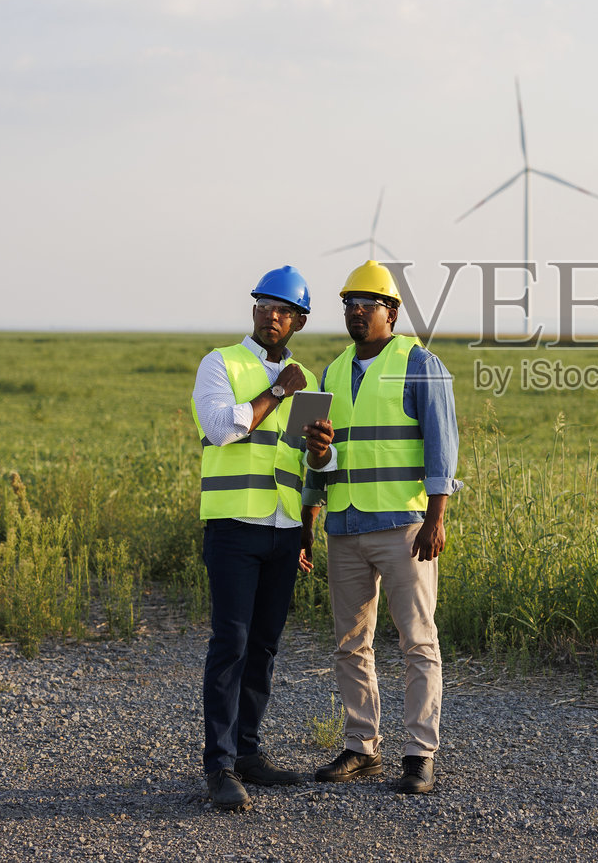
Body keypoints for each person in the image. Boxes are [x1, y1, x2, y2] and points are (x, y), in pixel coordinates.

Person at [302, 260, 459, 795]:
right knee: (350, 643)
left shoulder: (419, 364)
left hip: (403, 527)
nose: (355, 311)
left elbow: (443, 447)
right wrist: (317, 476)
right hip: (345, 526)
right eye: (348, 303)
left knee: (418, 641)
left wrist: (436, 517)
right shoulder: (332, 371)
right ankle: (361, 747)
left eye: (366, 303)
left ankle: (419, 753)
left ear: (390, 311)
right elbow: (321, 459)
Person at [191, 266, 336, 812]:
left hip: (282, 535)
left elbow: (312, 463)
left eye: (283, 310)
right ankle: (220, 766)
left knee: (265, 647)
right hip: (232, 530)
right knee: (230, 644)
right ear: (254, 310)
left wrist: (323, 454)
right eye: (263, 305)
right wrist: (277, 390)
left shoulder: (308, 379)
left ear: (298, 321)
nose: (271, 316)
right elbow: (222, 428)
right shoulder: (220, 363)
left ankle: (249, 753)